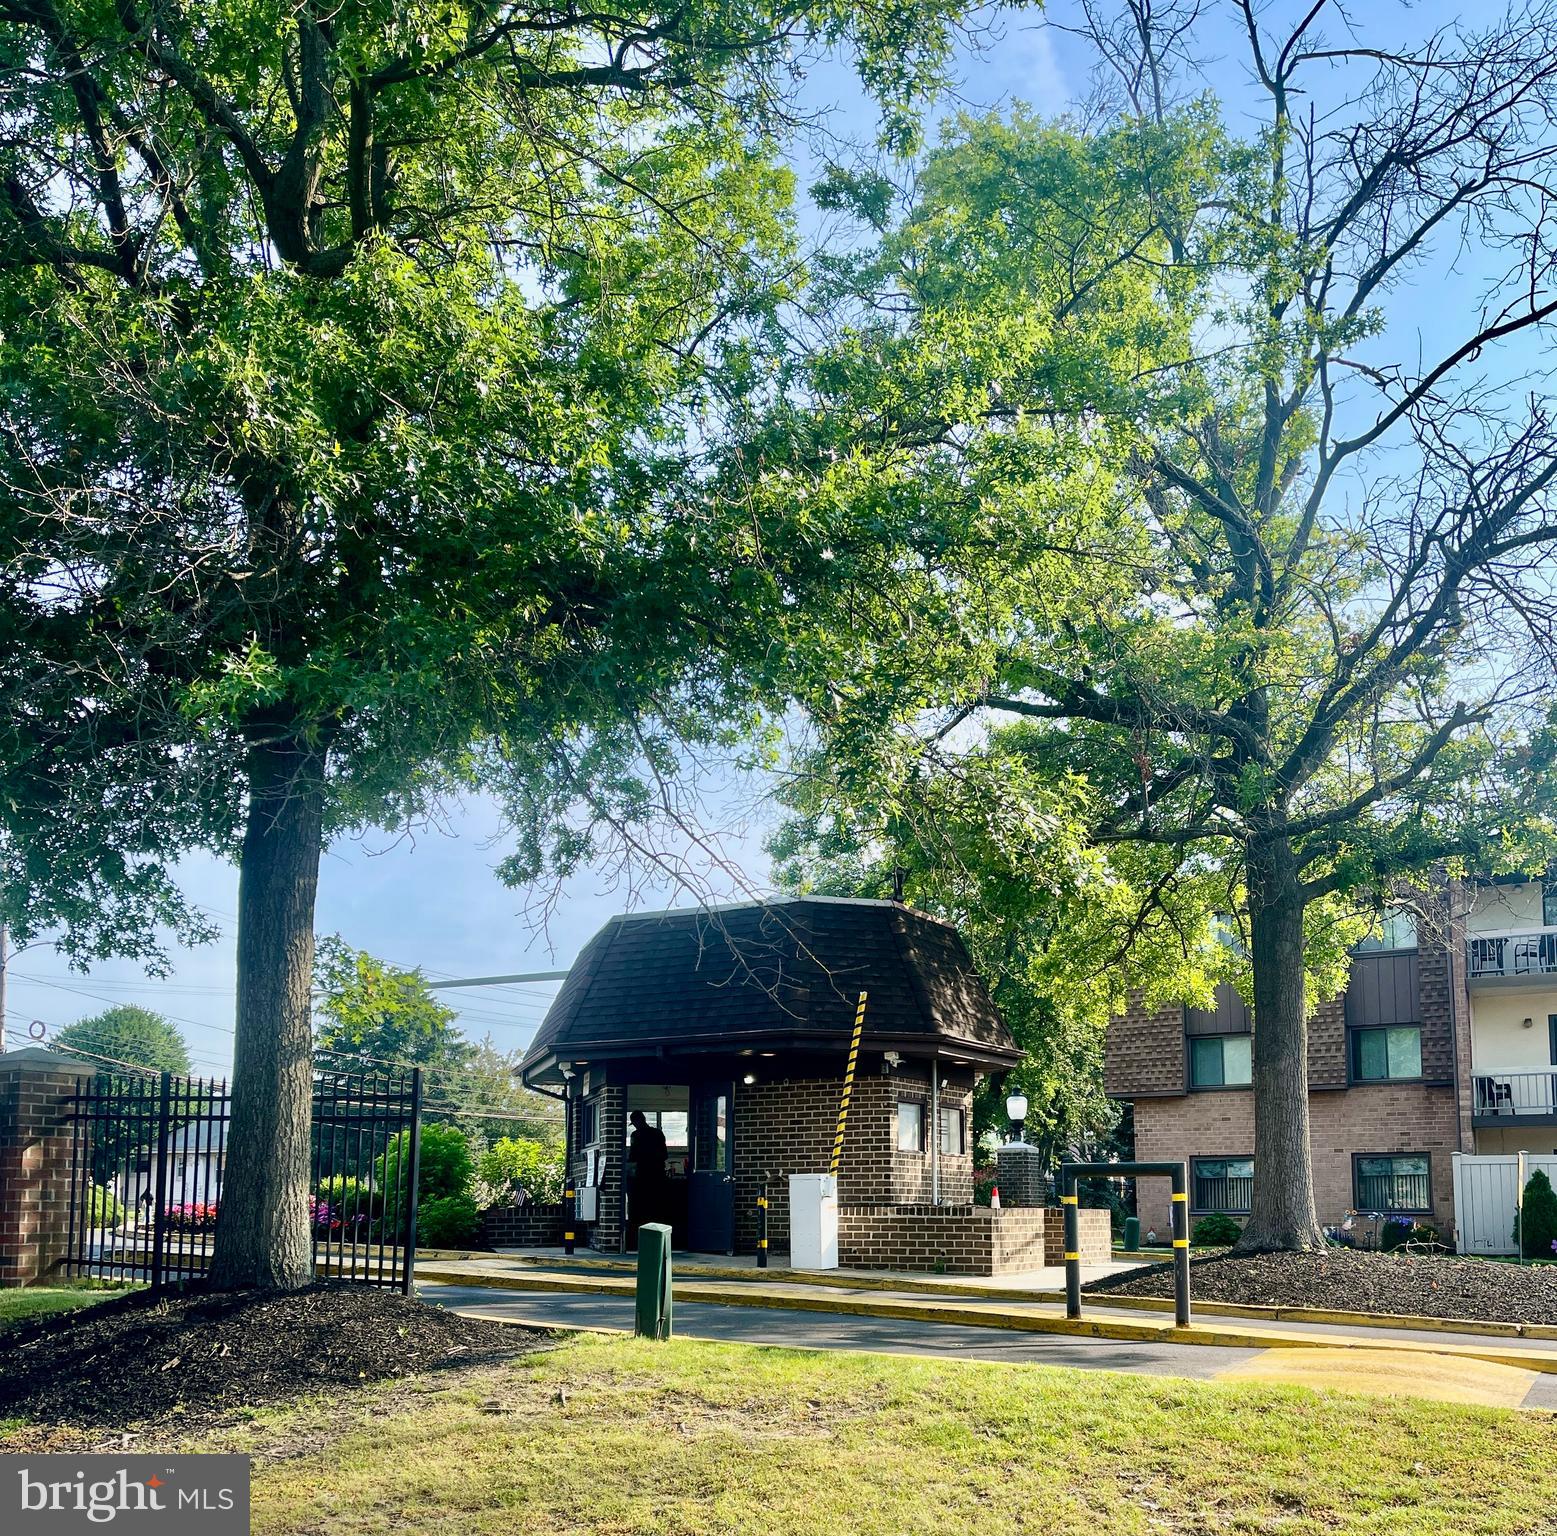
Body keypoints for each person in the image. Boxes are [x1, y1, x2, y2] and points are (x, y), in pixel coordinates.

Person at [627, 1109, 668, 1235]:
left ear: (636, 1122)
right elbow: (665, 1155)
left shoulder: (635, 1135)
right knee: (657, 1205)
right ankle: (658, 1229)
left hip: (642, 1175)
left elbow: (632, 1157)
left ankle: (640, 1230)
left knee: (640, 1205)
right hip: (658, 1175)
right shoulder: (658, 1133)